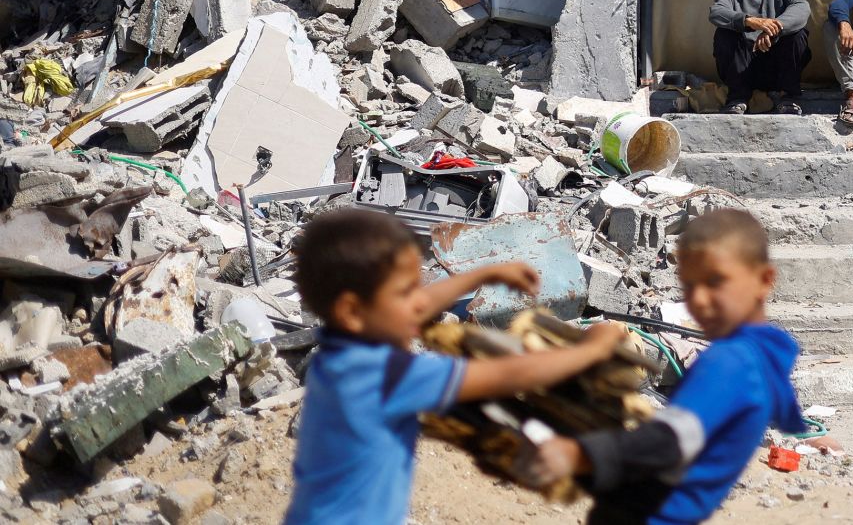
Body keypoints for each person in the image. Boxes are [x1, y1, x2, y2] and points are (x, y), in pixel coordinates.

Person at [283, 209, 627, 525]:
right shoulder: (389, 376)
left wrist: (483, 274)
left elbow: (418, 307)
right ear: (352, 312)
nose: (420, 302)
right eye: (405, 292)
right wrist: (589, 350)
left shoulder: (340, 349)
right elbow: (507, 374)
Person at [520, 209, 807, 525]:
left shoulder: (730, 363)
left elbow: (668, 442)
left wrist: (578, 454)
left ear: (764, 280)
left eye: (715, 281)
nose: (698, 300)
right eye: (688, 285)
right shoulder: (764, 357)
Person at [707, 0, 811, 115]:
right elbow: (716, 13)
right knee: (724, 34)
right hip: (743, 69)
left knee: (798, 34)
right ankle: (737, 98)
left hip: (777, 70)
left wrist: (773, 29)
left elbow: (802, 10)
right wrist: (750, 21)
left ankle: (789, 98)